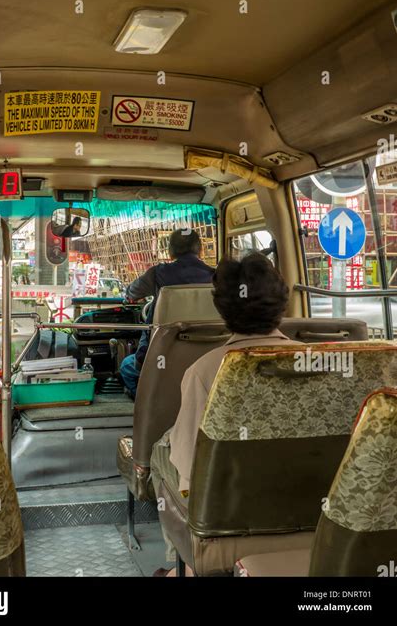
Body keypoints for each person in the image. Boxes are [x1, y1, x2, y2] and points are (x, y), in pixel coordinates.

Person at [150, 252, 300, 575]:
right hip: (305, 495)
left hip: (229, 508)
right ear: (282, 304)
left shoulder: (204, 372)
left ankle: (184, 566)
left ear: (222, 309)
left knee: (160, 453)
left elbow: (190, 464)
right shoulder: (318, 363)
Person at [119, 228, 215, 398]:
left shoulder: (157, 274)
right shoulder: (215, 276)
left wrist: (130, 299)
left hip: (161, 357)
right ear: (200, 249)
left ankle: (148, 404)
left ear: (170, 251)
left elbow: (131, 293)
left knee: (127, 366)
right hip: (206, 356)